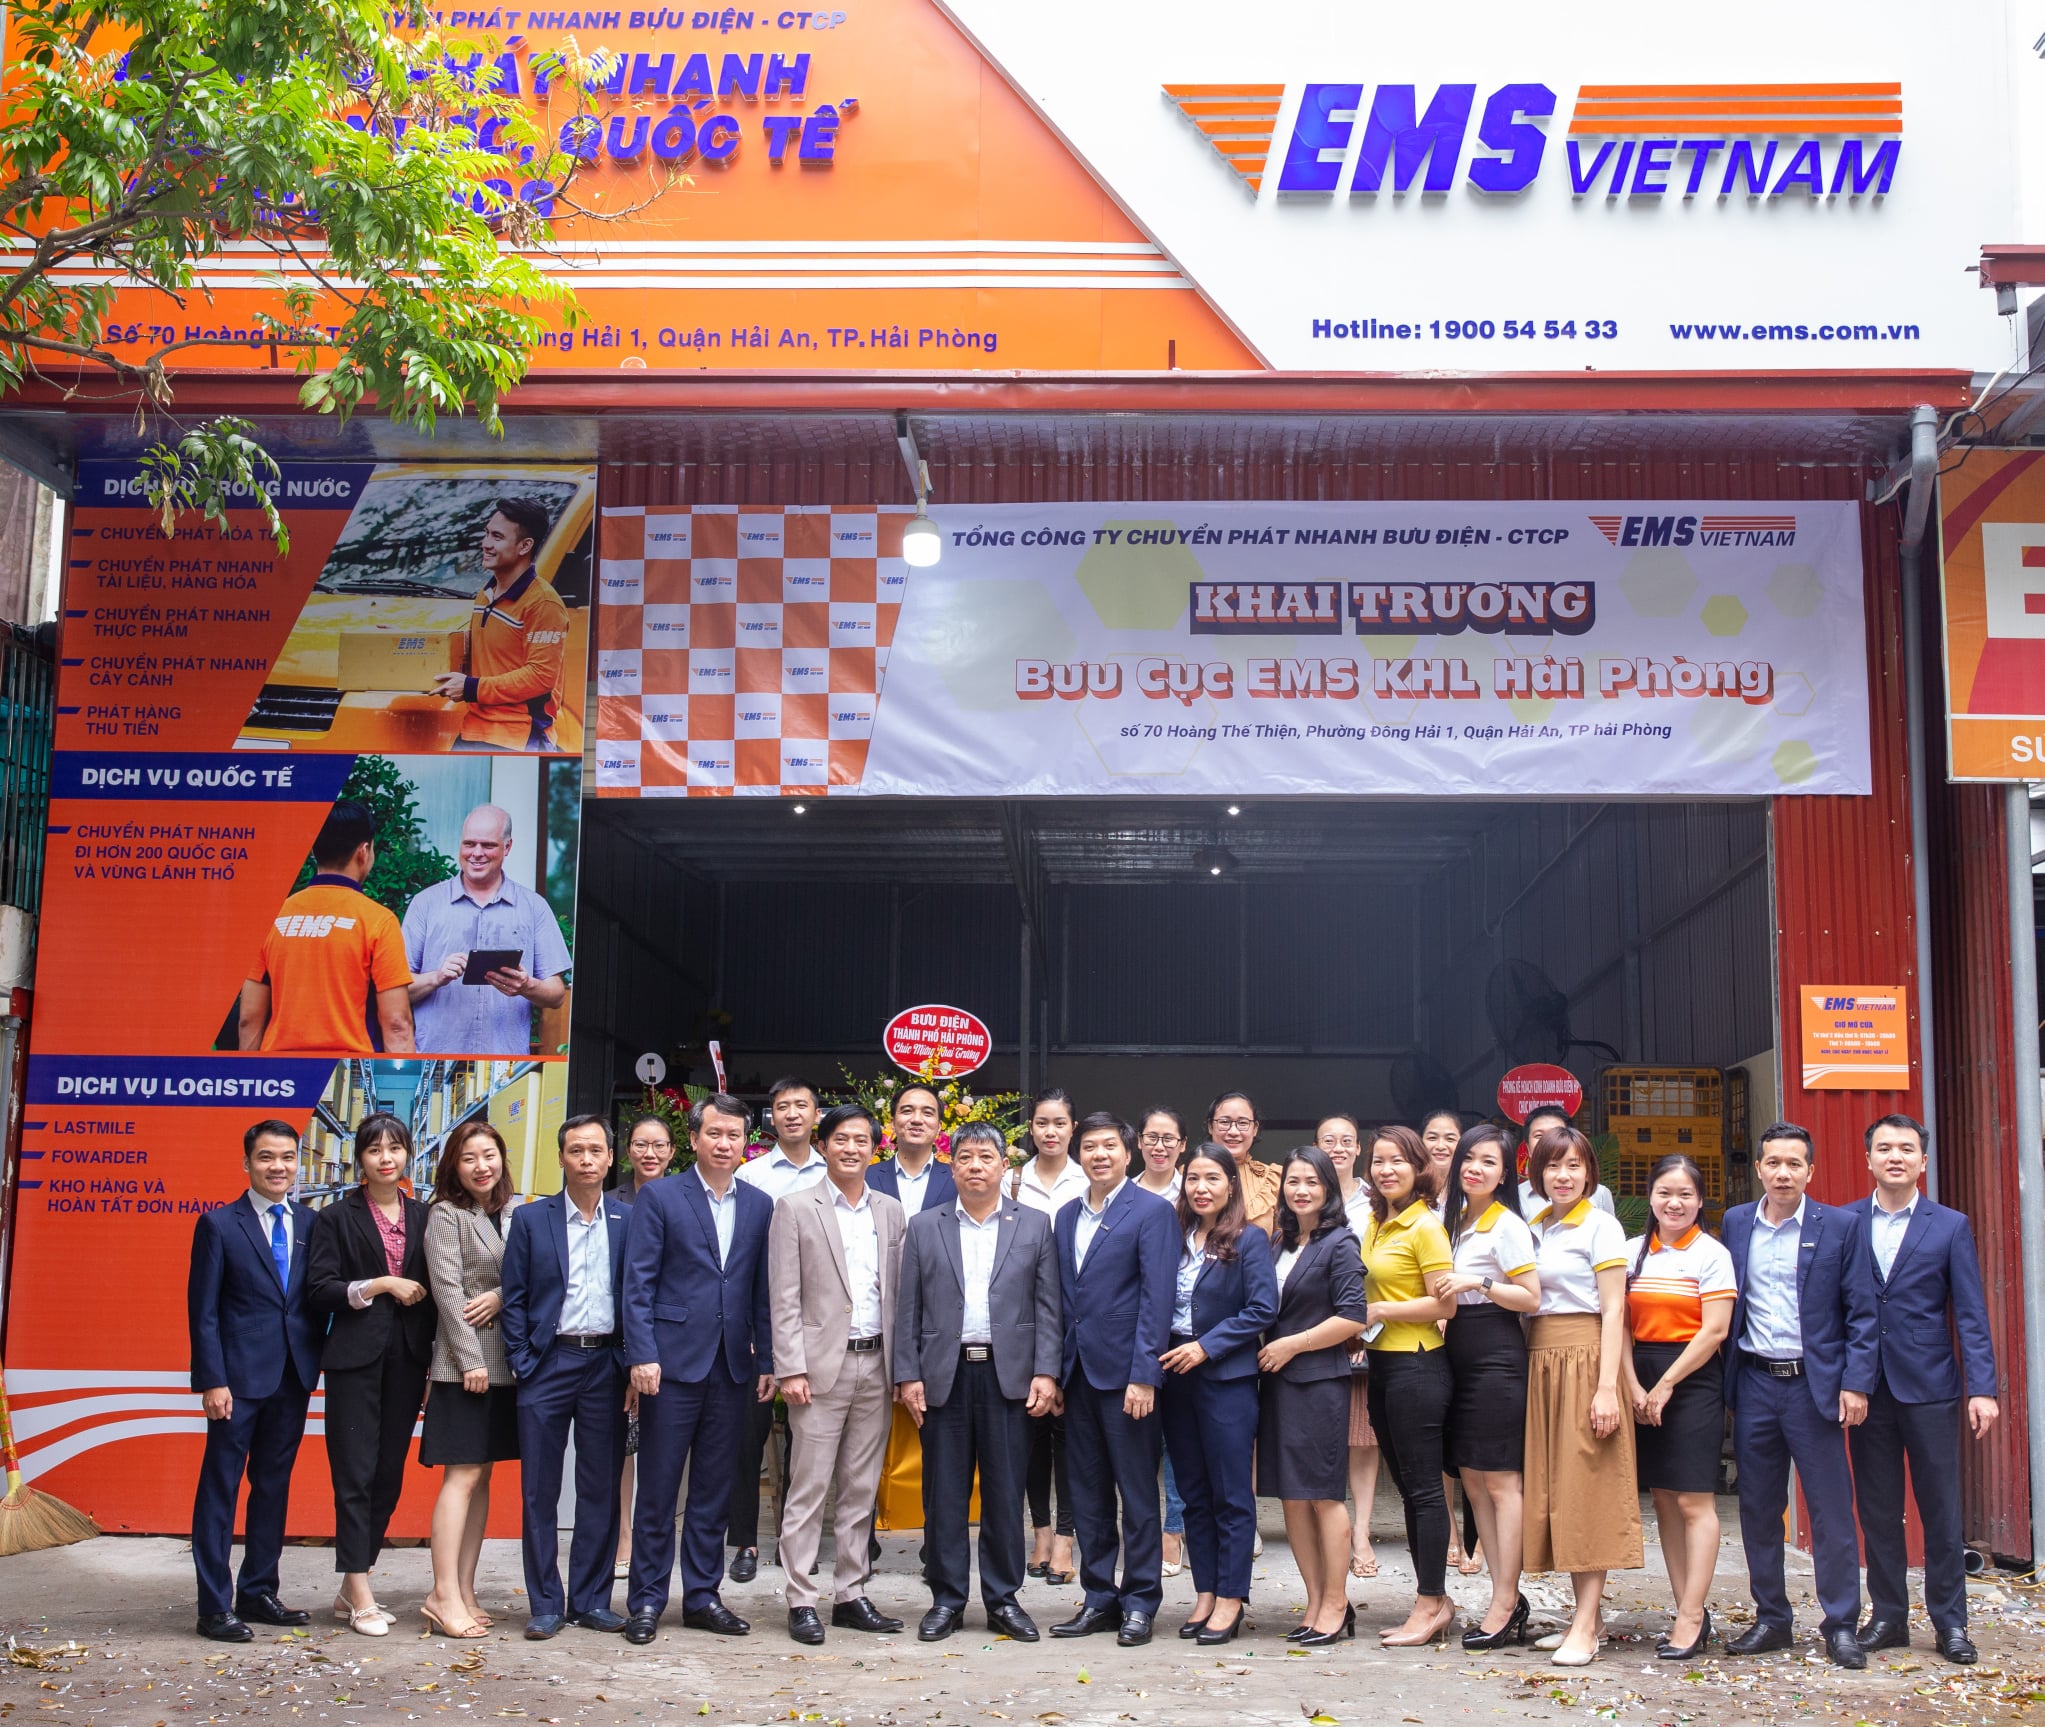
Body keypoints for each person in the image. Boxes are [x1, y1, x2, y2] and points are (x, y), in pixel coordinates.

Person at [893, 1121, 1061, 1643]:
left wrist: (1046, 1371)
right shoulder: (925, 1226)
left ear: (1004, 1166)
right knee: (943, 1494)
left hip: (1009, 1377)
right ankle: (947, 1599)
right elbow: (908, 1307)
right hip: (943, 1376)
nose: (975, 1166)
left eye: (986, 1157)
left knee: (1005, 1493)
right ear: (952, 1166)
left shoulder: (1034, 1225)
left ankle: (1003, 1599)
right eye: (965, 1157)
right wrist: (908, 1375)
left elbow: (1048, 1307)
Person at [620, 1093, 775, 1643]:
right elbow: (637, 1282)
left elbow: (761, 1290)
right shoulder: (661, 1197)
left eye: (734, 1135)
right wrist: (642, 1354)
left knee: (713, 1489)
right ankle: (646, 1599)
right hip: (670, 1365)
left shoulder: (759, 1204)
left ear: (745, 1143)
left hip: (732, 1366)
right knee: (659, 1489)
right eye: (714, 1133)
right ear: (693, 1139)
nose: (724, 1143)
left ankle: (704, 1596)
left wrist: (767, 1359)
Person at [1845, 1113, 1999, 1666]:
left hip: (1931, 1386)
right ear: (1869, 1159)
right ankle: (1888, 1617)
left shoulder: (1949, 1226)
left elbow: (1971, 1313)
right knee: (1878, 1510)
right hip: (1866, 1390)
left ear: (1922, 1161)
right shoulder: (1845, 1222)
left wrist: (1983, 1387)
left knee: (1941, 1511)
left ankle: (1950, 1623)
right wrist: (1843, 1380)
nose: (1896, 1157)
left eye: (1906, 1149)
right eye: (1885, 1148)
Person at [1720, 1121, 1872, 1670]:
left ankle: (1841, 1625)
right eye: (1773, 1163)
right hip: (1756, 1383)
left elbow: (1862, 1311)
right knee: (1759, 1508)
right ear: (1759, 1168)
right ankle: (1772, 1619)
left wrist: (1855, 1382)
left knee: (1830, 1511)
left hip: (1815, 1386)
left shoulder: (1841, 1226)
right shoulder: (1736, 1222)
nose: (1783, 1173)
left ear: (1811, 1170)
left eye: (1794, 1163)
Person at [769, 1102, 908, 1645]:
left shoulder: (890, 1211)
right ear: (822, 1146)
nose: (851, 1148)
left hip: (877, 1363)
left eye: (862, 1140)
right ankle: (801, 1598)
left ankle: (851, 1592)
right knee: (808, 1487)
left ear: (875, 1148)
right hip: (818, 1369)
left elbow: (899, 1293)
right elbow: (783, 1295)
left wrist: (903, 1369)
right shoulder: (794, 1208)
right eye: (841, 1139)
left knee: (860, 1487)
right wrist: (790, 1368)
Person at [187, 1120, 325, 1643]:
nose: (278, 1167)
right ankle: (213, 1607)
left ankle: (259, 1591)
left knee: (273, 1486)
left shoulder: (311, 1224)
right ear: (247, 1163)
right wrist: (212, 1380)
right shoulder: (220, 1225)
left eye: (287, 1157)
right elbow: (203, 1312)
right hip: (237, 1382)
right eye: (266, 1157)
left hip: (293, 1376)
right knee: (220, 1489)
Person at [500, 1116, 633, 1640]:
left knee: (600, 1487)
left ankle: (592, 1600)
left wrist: (632, 1363)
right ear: (561, 1158)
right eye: (576, 1150)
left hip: (606, 1365)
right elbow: (514, 1297)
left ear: (609, 1158)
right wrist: (522, 1360)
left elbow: (638, 1295)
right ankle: (545, 1603)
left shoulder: (628, 1219)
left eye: (595, 1150)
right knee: (540, 1489)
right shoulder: (532, 1219)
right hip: (548, 1364)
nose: (586, 1159)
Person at [1049, 1112, 1178, 1648]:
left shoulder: (1152, 1211)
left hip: (1128, 1378)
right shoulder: (1065, 1215)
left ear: (1128, 1154)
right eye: (1089, 1147)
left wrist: (1145, 1374)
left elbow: (1157, 1296)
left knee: (1137, 1493)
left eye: (1109, 1146)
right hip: (1077, 1374)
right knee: (1087, 1493)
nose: (1098, 1155)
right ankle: (1099, 1597)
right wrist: (1054, 1372)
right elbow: (1062, 1299)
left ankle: (1141, 1600)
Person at [305, 1113, 436, 1635]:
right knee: (354, 1472)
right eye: (375, 1149)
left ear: (408, 1154)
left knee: (387, 1475)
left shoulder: (425, 1215)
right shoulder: (336, 1217)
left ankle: (349, 1585)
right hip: (354, 1360)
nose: (386, 1158)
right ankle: (360, 1591)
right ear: (359, 1158)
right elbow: (320, 1289)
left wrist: (434, 1364)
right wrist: (381, 1284)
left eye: (395, 1148)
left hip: (408, 1359)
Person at [1522, 1125, 1640, 1667]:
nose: (1563, 1175)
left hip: (1586, 1358)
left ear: (1590, 1172)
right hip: (1542, 1359)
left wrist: (1607, 1388)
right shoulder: (1536, 1226)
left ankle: (1588, 1626)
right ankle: (1582, 1617)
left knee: (1588, 1490)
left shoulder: (1601, 1226)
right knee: (1559, 1492)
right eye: (1552, 1165)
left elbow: (1614, 1309)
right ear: (1537, 1173)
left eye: (1573, 1165)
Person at [1159, 1145, 1277, 1646]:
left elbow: (1262, 1308)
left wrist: (1207, 1346)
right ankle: (1205, 1592)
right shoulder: (1173, 1237)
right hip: (1174, 1377)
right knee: (1192, 1493)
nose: (1201, 1188)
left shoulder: (1249, 1239)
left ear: (1231, 1184)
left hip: (1225, 1378)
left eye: (1212, 1178)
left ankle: (1231, 1597)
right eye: (1193, 1179)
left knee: (1230, 1493)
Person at [1621, 1154, 1735, 1661]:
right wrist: (1631, 1385)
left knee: (1694, 1501)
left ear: (1700, 1200)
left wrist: (1665, 1384)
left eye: (1685, 1194)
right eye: (1665, 1193)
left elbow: (1715, 1330)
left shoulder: (1711, 1253)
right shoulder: (1631, 1252)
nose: (1674, 1203)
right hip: (1640, 1375)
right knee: (1664, 1498)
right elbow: (1618, 1324)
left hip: (1692, 1379)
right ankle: (1685, 1607)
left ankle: (1691, 1616)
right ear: (1650, 1197)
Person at [1435, 1124, 1540, 1651]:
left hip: (1496, 1355)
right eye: (1469, 1159)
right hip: (1457, 1352)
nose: (1475, 1168)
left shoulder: (1507, 1224)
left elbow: (1531, 1297)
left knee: (1501, 1483)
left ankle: (1505, 1600)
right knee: (1473, 1481)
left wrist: (1478, 1282)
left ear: (1504, 1175)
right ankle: (1505, 1595)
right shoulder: (1453, 1221)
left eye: (1489, 1162)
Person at [419, 1119, 522, 1639]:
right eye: (469, 1158)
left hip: (507, 1365)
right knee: (460, 1477)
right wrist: (470, 1362)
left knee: (482, 1477)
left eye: (489, 1155)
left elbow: (526, 1277)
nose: (482, 1166)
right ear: (454, 1167)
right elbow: (447, 1291)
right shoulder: (446, 1214)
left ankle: (464, 1587)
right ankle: (441, 1593)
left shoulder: (513, 1211)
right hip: (466, 1368)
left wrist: (502, 1296)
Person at [1355, 1128, 1457, 1648]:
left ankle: (1430, 1602)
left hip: (1417, 1365)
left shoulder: (1425, 1225)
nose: (1386, 1169)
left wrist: (1381, 1309)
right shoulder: (1377, 1222)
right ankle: (1433, 1600)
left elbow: (1446, 1304)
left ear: (1419, 1168)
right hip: (1382, 1366)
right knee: (1410, 1491)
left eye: (1397, 1160)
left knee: (1424, 1492)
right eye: (1378, 1161)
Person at [729, 1076, 825, 1582]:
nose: (792, 1113)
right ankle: (744, 1540)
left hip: (824, 1324)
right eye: (782, 1106)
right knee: (750, 1436)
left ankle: (799, 1541)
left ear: (816, 1115)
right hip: (761, 1320)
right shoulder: (751, 1175)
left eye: (801, 1105)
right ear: (771, 1117)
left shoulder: (835, 1170)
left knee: (814, 1439)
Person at [239, 800, 413, 1055]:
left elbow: (248, 1019)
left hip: (279, 1069)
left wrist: (250, 1073)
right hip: (345, 1065)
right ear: (364, 851)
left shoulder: (272, 918)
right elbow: (397, 1024)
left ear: (314, 850)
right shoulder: (379, 921)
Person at [402, 804, 571, 1057]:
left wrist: (527, 985)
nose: (477, 853)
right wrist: (436, 977)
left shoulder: (534, 907)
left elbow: (557, 995)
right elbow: (397, 990)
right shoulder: (425, 904)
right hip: (438, 1060)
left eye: (488, 845)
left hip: (506, 1065)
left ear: (507, 847)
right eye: (469, 844)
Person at [1009, 1087, 1086, 1586]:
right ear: (1031, 1128)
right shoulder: (1011, 1180)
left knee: (1069, 1437)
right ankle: (1039, 1532)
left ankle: (1065, 1538)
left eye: (1059, 1122)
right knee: (1032, 1434)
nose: (1050, 1131)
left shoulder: (1088, 1178)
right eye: (1041, 1123)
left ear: (1072, 1127)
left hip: (1075, 1319)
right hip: (1025, 1319)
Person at [431, 495, 573, 752]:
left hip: (519, 737)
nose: (485, 544)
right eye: (486, 533)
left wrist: (471, 688)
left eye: (497, 537)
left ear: (524, 546)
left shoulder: (544, 604)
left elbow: (540, 677)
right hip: (473, 729)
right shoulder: (486, 594)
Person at [1316, 1112, 1381, 1579]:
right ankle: (1328, 1529)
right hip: (1315, 1332)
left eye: (1346, 1141)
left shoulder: (1377, 1201)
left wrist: (1361, 1328)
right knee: (1322, 1436)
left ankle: (1361, 1532)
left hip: (1368, 1331)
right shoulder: (1304, 1196)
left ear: (1359, 1149)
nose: (1338, 1148)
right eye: (1328, 1141)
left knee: (1363, 1437)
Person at [612, 1113, 675, 1579]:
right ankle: (624, 1537)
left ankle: (657, 1542)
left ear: (673, 1151)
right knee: (623, 1447)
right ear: (627, 1150)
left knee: (660, 1451)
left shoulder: (683, 1197)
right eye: (640, 1144)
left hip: (667, 1345)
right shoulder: (610, 1201)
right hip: (620, 1338)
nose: (649, 1153)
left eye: (658, 1145)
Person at [1416, 1107, 1475, 1575]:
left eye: (1450, 1137)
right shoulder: (1413, 1197)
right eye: (1432, 1136)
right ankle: (1451, 1530)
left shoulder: (1472, 1196)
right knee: (1435, 1431)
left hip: (1471, 1323)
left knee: (1472, 1433)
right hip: (1425, 1324)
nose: (1440, 1144)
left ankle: (1479, 1535)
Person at [1134, 1107, 1189, 1572]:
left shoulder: (1194, 1191)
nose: (1159, 1146)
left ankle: (1174, 1530)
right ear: (1138, 1143)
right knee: (1140, 1435)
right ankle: (1144, 1528)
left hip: (1183, 1331)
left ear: (1182, 1145)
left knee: (1177, 1436)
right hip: (1136, 1330)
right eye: (1151, 1137)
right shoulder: (1124, 1193)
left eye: (1169, 1138)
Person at [868, 1083, 958, 1218]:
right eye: (907, 1111)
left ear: (939, 1127)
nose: (917, 1120)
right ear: (892, 1123)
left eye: (927, 1113)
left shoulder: (957, 1179)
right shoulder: (866, 1177)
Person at [1515, 1106, 1616, 1218]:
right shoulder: (1516, 1197)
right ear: (1528, 1147)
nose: (1548, 1142)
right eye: (1539, 1135)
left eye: (1557, 1134)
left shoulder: (1599, 1195)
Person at [1206, 1090, 1280, 1239]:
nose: (1233, 1131)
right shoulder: (1188, 1175)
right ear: (1210, 1126)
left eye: (1243, 1123)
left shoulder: (1274, 1178)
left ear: (1255, 1128)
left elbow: (1283, 1242)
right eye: (1224, 1122)